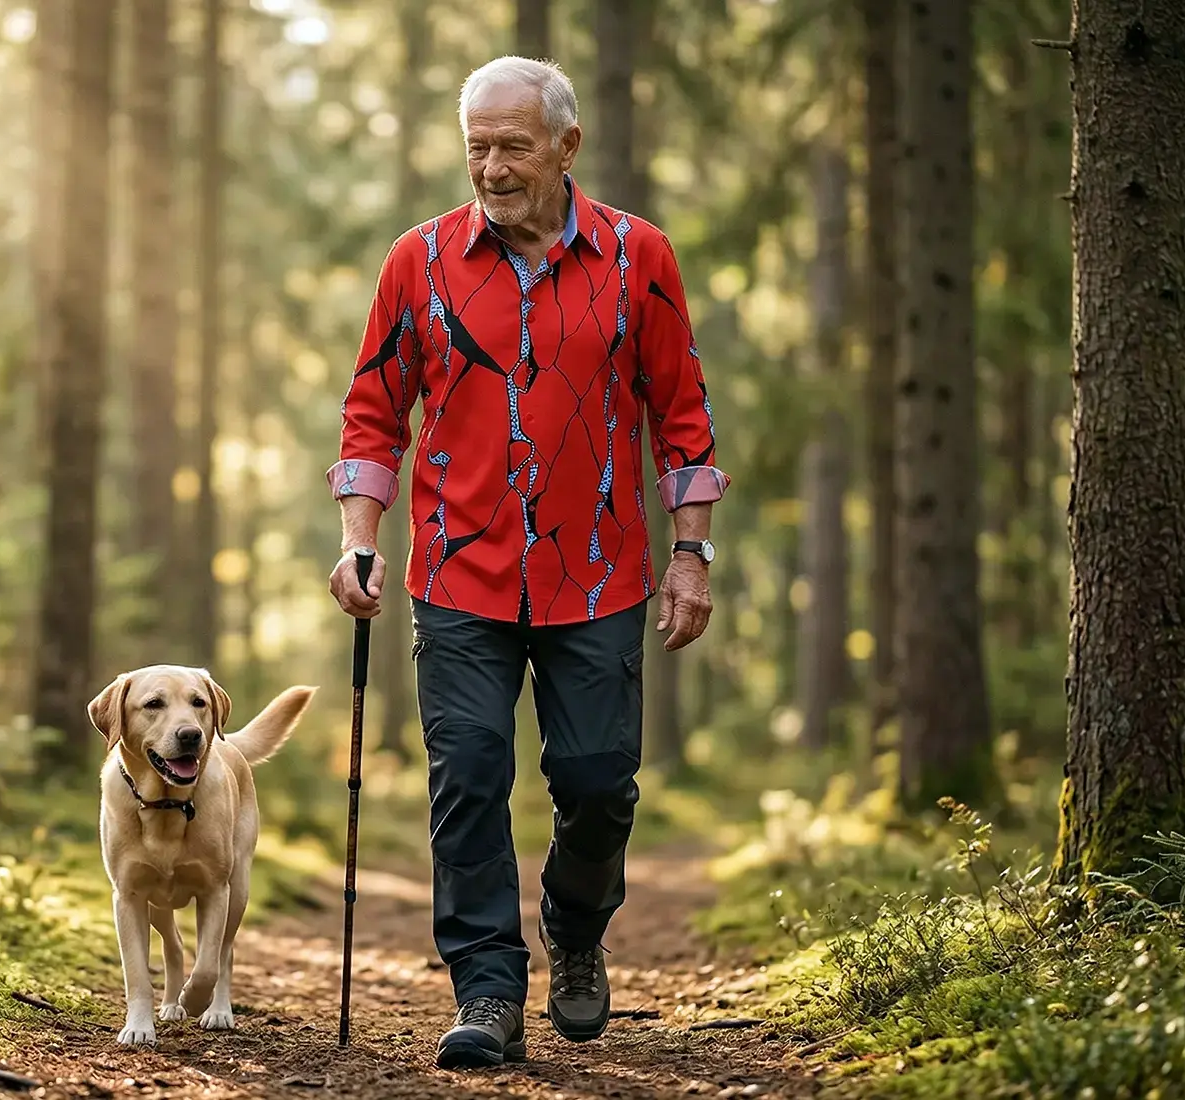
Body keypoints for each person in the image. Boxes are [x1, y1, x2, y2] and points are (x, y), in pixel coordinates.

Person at [323, 55, 727, 1070]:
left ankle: (576, 930)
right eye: (475, 147)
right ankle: (488, 987)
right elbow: (373, 413)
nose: (491, 168)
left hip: (597, 574)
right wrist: (357, 539)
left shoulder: (640, 259)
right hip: (455, 572)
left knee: (597, 782)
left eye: (510, 146)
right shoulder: (417, 262)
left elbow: (681, 415)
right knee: (466, 776)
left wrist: (690, 555)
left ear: (564, 146)